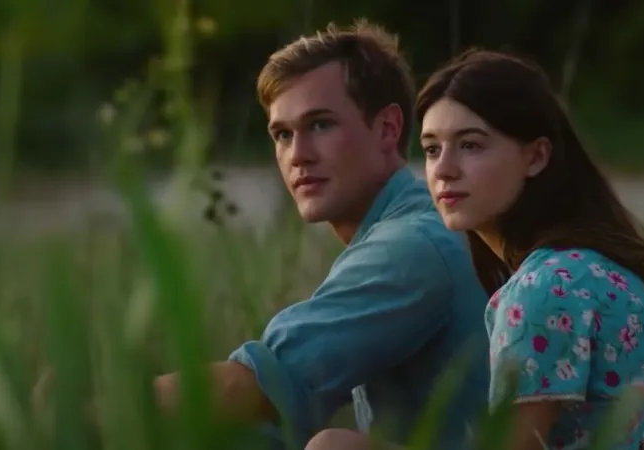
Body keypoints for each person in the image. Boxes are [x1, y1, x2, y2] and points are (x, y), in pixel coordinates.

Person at [152, 21, 491, 449]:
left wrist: (93, 414)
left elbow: (261, 385)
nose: (298, 155)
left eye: (321, 125)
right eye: (282, 134)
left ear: (387, 129)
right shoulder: (417, 223)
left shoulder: (413, 244)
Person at [414, 49, 644, 449]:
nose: (443, 169)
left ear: (536, 156)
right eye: (431, 149)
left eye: (471, 145)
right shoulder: (590, 268)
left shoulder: (546, 285)